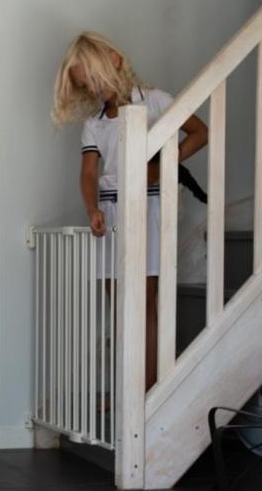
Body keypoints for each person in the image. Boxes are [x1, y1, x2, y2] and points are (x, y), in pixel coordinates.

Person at [52, 31, 209, 387]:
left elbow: (200, 132)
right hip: (109, 214)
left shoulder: (155, 102)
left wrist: (164, 164)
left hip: (148, 207)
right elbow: (88, 173)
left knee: (144, 302)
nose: (93, 89)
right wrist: (92, 209)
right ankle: (127, 390)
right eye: (85, 85)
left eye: (93, 79)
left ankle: (148, 390)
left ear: (114, 61)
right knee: (120, 306)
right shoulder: (94, 124)